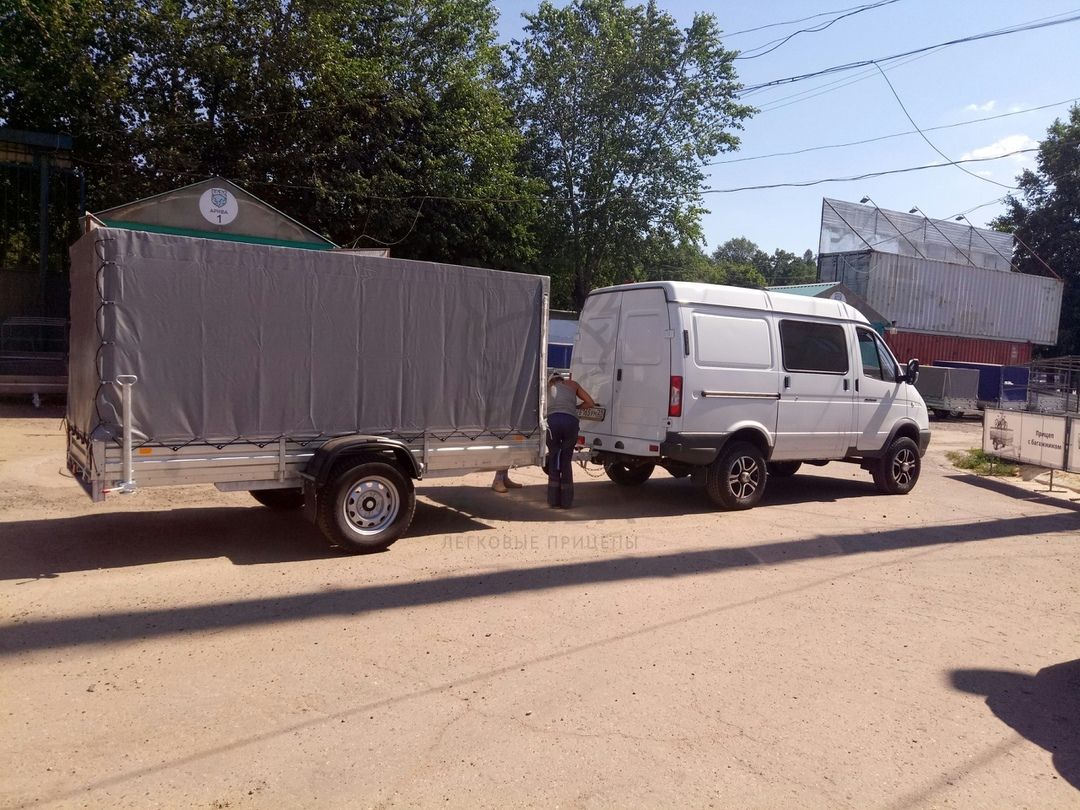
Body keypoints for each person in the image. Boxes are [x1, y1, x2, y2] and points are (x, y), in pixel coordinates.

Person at [546, 372, 595, 508]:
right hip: (570, 421)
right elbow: (590, 403)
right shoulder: (573, 385)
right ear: (563, 379)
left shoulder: (547, 386)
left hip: (552, 422)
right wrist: (575, 408)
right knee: (566, 460)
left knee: (554, 457)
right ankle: (566, 501)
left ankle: (553, 500)